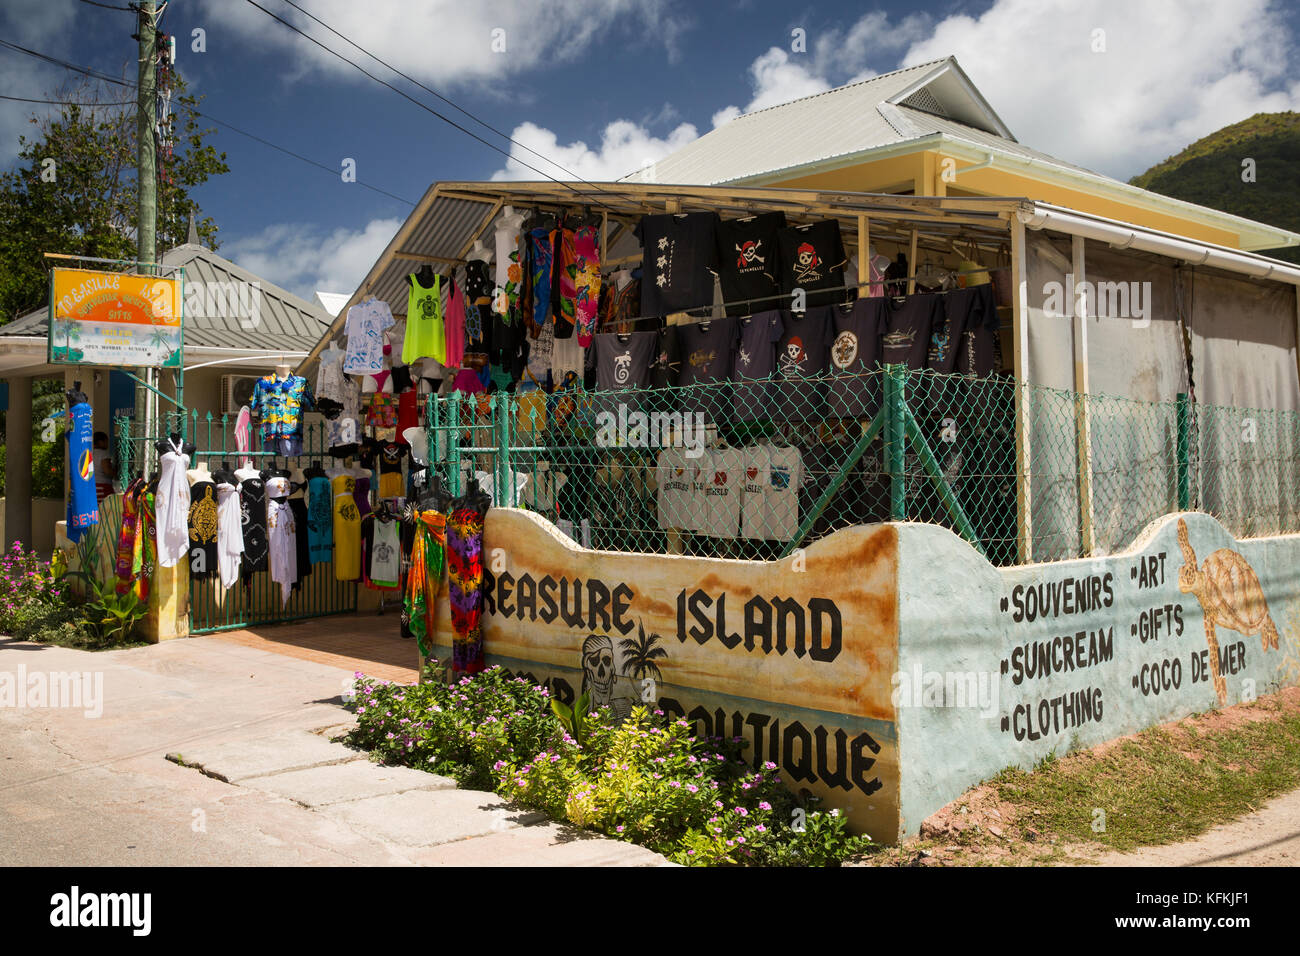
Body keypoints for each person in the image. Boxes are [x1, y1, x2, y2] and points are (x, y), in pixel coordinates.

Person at [92, 432, 117, 502]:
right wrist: (115, 472)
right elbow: (107, 471)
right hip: (103, 488)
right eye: (106, 441)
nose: (107, 444)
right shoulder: (103, 454)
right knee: (105, 510)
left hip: (92, 486)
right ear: (100, 442)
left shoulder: (90, 453)